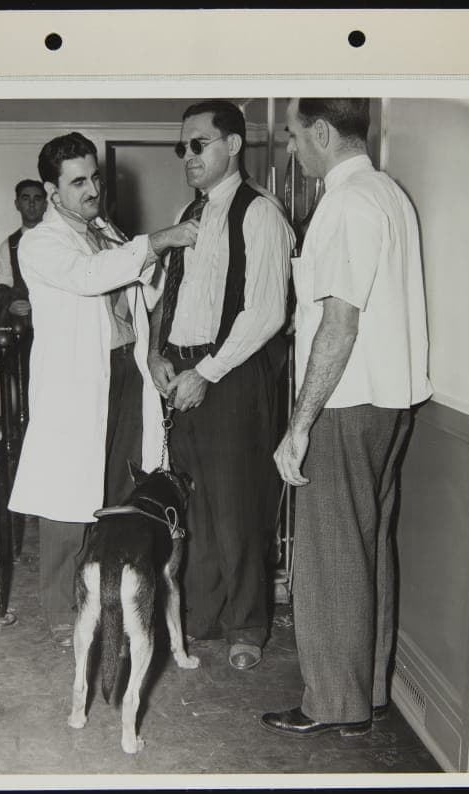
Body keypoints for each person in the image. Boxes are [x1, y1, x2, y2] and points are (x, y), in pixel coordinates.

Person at [261, 98, 432, 737]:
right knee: (368, 547)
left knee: (330, 556)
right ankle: (370, 694)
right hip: (392, 402)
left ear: (323, 133)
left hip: (345, 403)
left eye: (295, 137)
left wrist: (300, 425)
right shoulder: (390, 194)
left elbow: (337, 323)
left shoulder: (344, 203)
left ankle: (333, 705)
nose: (292, 152)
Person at [7, 132, 199, 646]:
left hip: (123, 372)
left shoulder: (104, 228)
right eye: (78, 182)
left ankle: (107, 598)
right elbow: (89, 276)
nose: (92, 188)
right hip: (77, 381)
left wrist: (159, 265)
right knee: (67, 502)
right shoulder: (41, 241)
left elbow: (140, 289)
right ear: (52, 191)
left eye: (94, 177)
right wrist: (158, 241)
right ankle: (60, 612)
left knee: (118, 491)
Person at [148, 100, 295, 671]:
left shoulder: (260, 214)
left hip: (231, 376)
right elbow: (176, 297)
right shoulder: (191, 212)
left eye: (199, 143)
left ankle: (246, 625)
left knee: (236, 505)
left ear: (232, 145)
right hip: (183, 373)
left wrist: (205, 372)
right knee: (192, 506)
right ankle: (201, 616)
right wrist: (159, 356)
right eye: (182, 146)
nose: (188, 155)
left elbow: (264, 314)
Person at [0, 179, 48, 325]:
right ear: (17, 204)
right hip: (25, 322)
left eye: (37, 199)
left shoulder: (60, 239)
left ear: (45, 205)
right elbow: (3, 284)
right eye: (26, 198)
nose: (31, 204)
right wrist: (10, 305)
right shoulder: (8, 245)